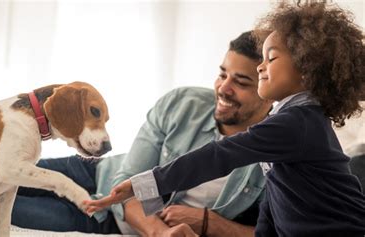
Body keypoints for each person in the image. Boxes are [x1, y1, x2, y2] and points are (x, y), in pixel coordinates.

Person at [0, 31, 273, 236]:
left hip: (104, 219)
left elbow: (273, 230)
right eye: (221, 74)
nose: (223, 88)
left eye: (241, 82)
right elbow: (132, 176)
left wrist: (210, 224)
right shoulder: (183, 103)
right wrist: (159, 232)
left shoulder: (277, 152)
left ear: (267, 88)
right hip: (98, 171)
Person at [84, 2, 365, 237]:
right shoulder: (292, 121)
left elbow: (219, 155)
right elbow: (276, 201)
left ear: (306, 68)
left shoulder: (298, 123)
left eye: (271, 58)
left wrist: (142, 185)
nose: (261, 66)